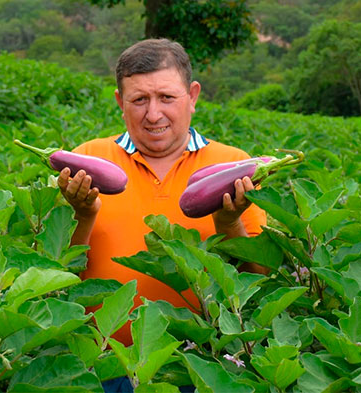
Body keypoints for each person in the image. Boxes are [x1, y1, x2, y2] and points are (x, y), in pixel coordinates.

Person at [57, 39, 267, 348]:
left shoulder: (234, 166)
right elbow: (56, 276)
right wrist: (83, 214)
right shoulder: (87, 161)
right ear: (120, 102)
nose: (153, 114)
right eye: (139, 99)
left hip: (203, 360)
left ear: (192, 96)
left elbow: (260, 279)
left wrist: (229, 223)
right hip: (99, 361)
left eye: (166, 97)